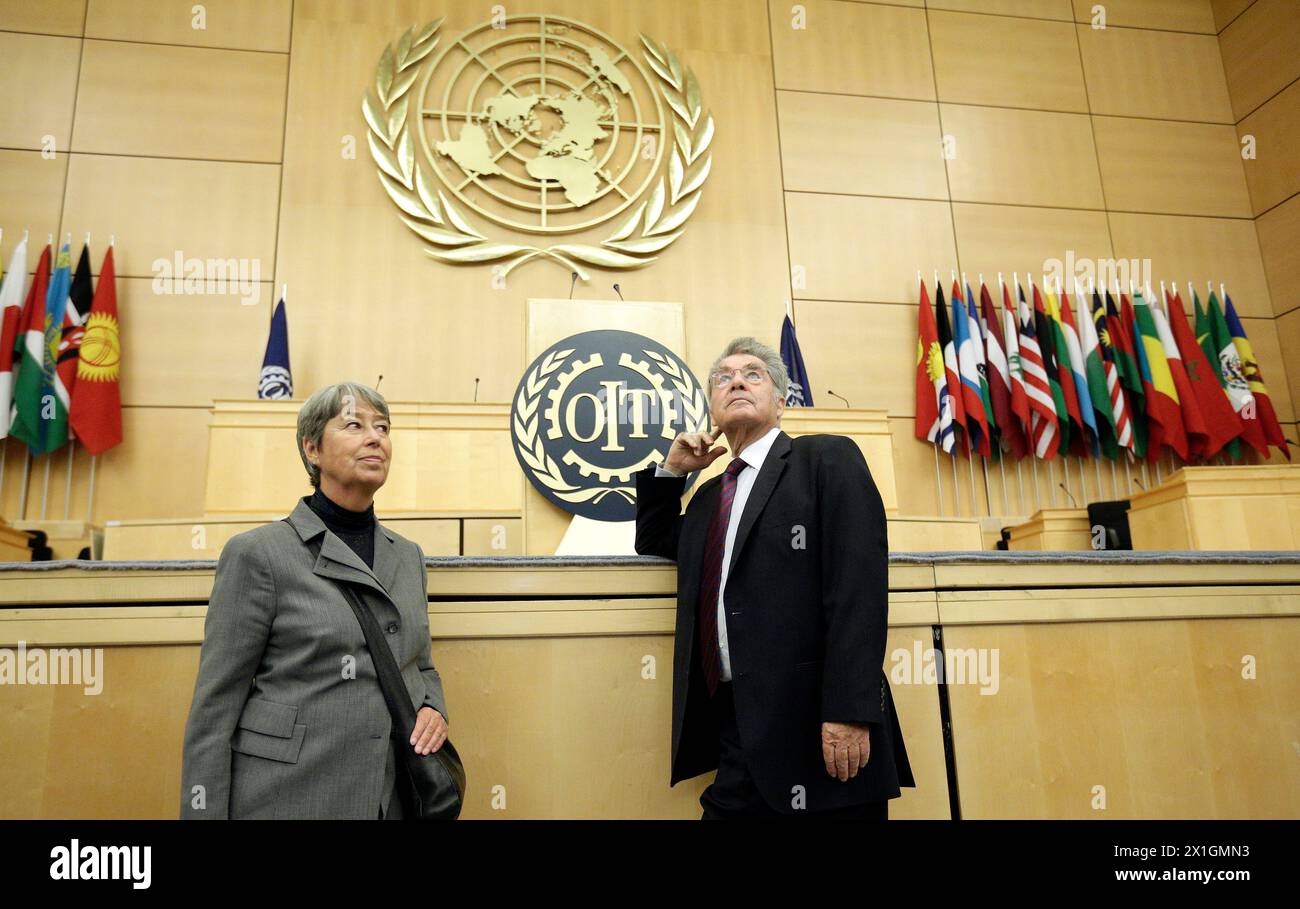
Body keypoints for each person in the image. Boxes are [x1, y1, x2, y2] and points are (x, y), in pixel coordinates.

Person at [635, 337, 913, 818]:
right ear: (713, 410)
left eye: (753, 374)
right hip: (737, 731)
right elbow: (655, 540)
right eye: (723, 378)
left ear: (782, 402)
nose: (736, 380)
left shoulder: (826, 459)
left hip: (820, 729)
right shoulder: (707, 498)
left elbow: (858, 591)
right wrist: (671, 470)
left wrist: (849, 711)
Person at [180, 382, 449, 819]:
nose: (375, 437)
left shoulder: (408, 556)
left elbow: (420, 664)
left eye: (383, 427)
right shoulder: (259, 553)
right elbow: (215, 709)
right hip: (289, 796)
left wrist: (433, 707)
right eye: (354, 425)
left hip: (387, 799)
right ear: (313, 450)